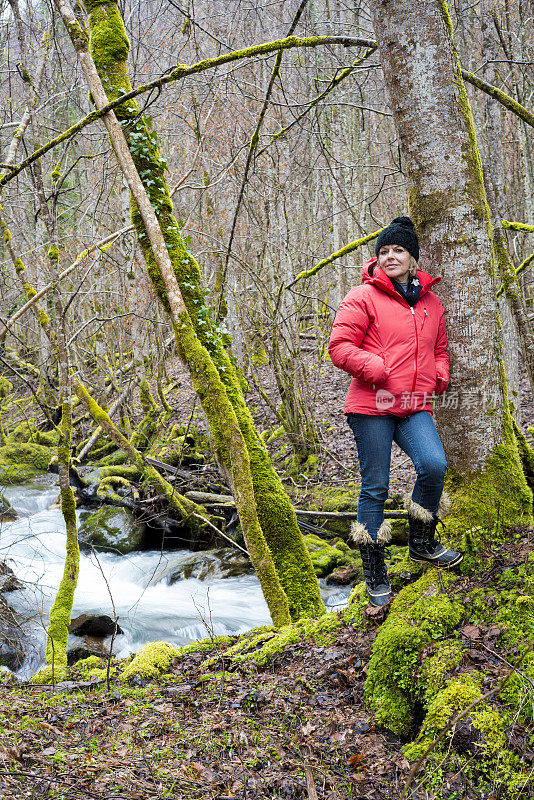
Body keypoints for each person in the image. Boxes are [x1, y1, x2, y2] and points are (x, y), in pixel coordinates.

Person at [328, 216, 462, 607]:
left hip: (413, 404)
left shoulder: (430, 303)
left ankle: (422, 542)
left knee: (434, 465)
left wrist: (440, 373)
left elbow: (439, 349)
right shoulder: (362, 297)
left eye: (397, 250)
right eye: (383, 251)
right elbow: (339, 346)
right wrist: (377, 369)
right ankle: (375, 572)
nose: (389, 256)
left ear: (413, 257)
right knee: (376, 487)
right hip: (371, 405)